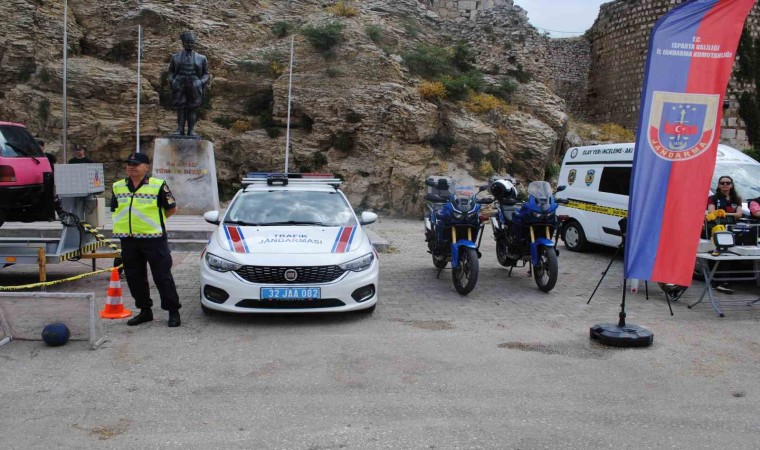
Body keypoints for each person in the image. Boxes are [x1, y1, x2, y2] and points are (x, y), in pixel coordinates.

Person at [111, 152, 182, 327]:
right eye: (129, 164)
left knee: (162, 276)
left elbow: (171, 209)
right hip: (129, 239)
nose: (131, 167)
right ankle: (145, 311)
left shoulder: (158, 185)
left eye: (135, 164)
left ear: (146, 167)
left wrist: (156, 223)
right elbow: (115, 209)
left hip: (154, 239)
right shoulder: (118, 187)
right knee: (134, 277)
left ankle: (173, 311)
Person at [706, 175, 743, 294]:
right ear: (719, 185)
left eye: (728, 183)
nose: (725, 185)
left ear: (731, 185)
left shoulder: (736, 199)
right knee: (717, 253)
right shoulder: (713, 198)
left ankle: (724, 281)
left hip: (732, 228)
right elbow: (711, 212)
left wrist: (724, 213)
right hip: (717, 228)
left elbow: (739, 214)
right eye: (722, 183)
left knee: (730, 253)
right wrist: (721, 214)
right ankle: (717, 281)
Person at [168, 31, 210, 136]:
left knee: (193, 108)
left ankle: (191, 130)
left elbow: (206, 74)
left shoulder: (202, 58)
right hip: (179, 84)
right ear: (183, 43)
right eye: (187, 42)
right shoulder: (175, 57)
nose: (190, 44)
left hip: (194, 85)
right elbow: (171, 72)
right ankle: (180, 130)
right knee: (180, 107)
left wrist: (200, 82)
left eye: (192, 42)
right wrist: (173, 81)